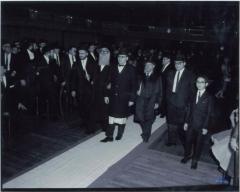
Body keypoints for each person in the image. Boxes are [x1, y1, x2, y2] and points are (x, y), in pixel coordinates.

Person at [100, 49, 137, 142]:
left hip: (124, 98)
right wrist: (106, 95)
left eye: (123, 57)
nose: (120, 59)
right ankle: (109, 136)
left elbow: (134, 85)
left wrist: (132, 99)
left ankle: (120, 134)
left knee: (121, 117)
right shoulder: (112, 67)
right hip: (112, 96)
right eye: (119, 57)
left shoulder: (131, 69)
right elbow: (108, 82)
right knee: (111, 117)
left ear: (127, 58)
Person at [181, 75, 213, 169]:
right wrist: (186, 122)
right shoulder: (193, 94)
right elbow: (189, 110)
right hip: (191, 123)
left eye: (202, 82)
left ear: (206, 84)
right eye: (197, 82)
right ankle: (187, 156)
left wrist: (205, 127)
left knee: (198, 143)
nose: (199, 84)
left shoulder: (209, 97)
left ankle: (195, 160)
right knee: (188, 141)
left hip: (201, 125)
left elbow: (209, 114)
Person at [165, 52, 195, 146]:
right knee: (170, 123)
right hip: (171, 102)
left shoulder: (190, 75)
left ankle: (185, 143)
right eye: (175, 63)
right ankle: (171, 141)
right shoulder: (170, 73)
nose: (177, 65)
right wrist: (167, 99)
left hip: (183, 104)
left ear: (184, 63)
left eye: (179, 63)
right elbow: (166, 88)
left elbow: (192, 92)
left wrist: (189, 105)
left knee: (182, 126)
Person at [71, 45, 97, 134]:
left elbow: (96, 77)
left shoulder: (93, 63)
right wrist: (73, 90)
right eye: (79, 53)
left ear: (87, 53)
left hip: (89, 90)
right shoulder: (76, 63)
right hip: (79, 90)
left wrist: (90, 78)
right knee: (81, 108)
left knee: (89, 109)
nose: (80, 55)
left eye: (82, 53)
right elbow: (73, 78)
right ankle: (84, 122)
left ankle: (91, 127)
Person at [135, 61, 162, 142]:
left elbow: (160, 91)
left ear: (153, 66)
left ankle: (146, 135)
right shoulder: (141, 75)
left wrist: (158, 102)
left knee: (148, 118)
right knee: (140, 117)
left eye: (149, 65)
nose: (147, 67)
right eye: (146, 65)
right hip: (140, 100)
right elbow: (135, 86)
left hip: (151, 100)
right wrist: (136, 91)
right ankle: (146, 129)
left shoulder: (157, 77)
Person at [90, 45, 111, 132]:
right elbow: (93, 76)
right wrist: (91, 80)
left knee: (105, 111)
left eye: (106, 52)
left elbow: (110, 81)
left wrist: (106, 95)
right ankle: (92, 128)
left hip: (104, 92)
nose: (103, 54)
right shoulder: (96, 64)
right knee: (94, 110)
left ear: (108, 54)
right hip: (95, 91)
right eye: (102, 52)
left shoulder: (111, 66)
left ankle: (105, 128)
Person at [159, 51, 173, 118]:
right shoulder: (163, 66)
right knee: (161, 99)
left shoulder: (170, 68)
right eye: (163, 59)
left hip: (165, 87)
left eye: (164, 59)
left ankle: (163, 112)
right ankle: (160, 110)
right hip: (161, 86)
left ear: (168, 60)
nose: (163, 60)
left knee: (164, 100)